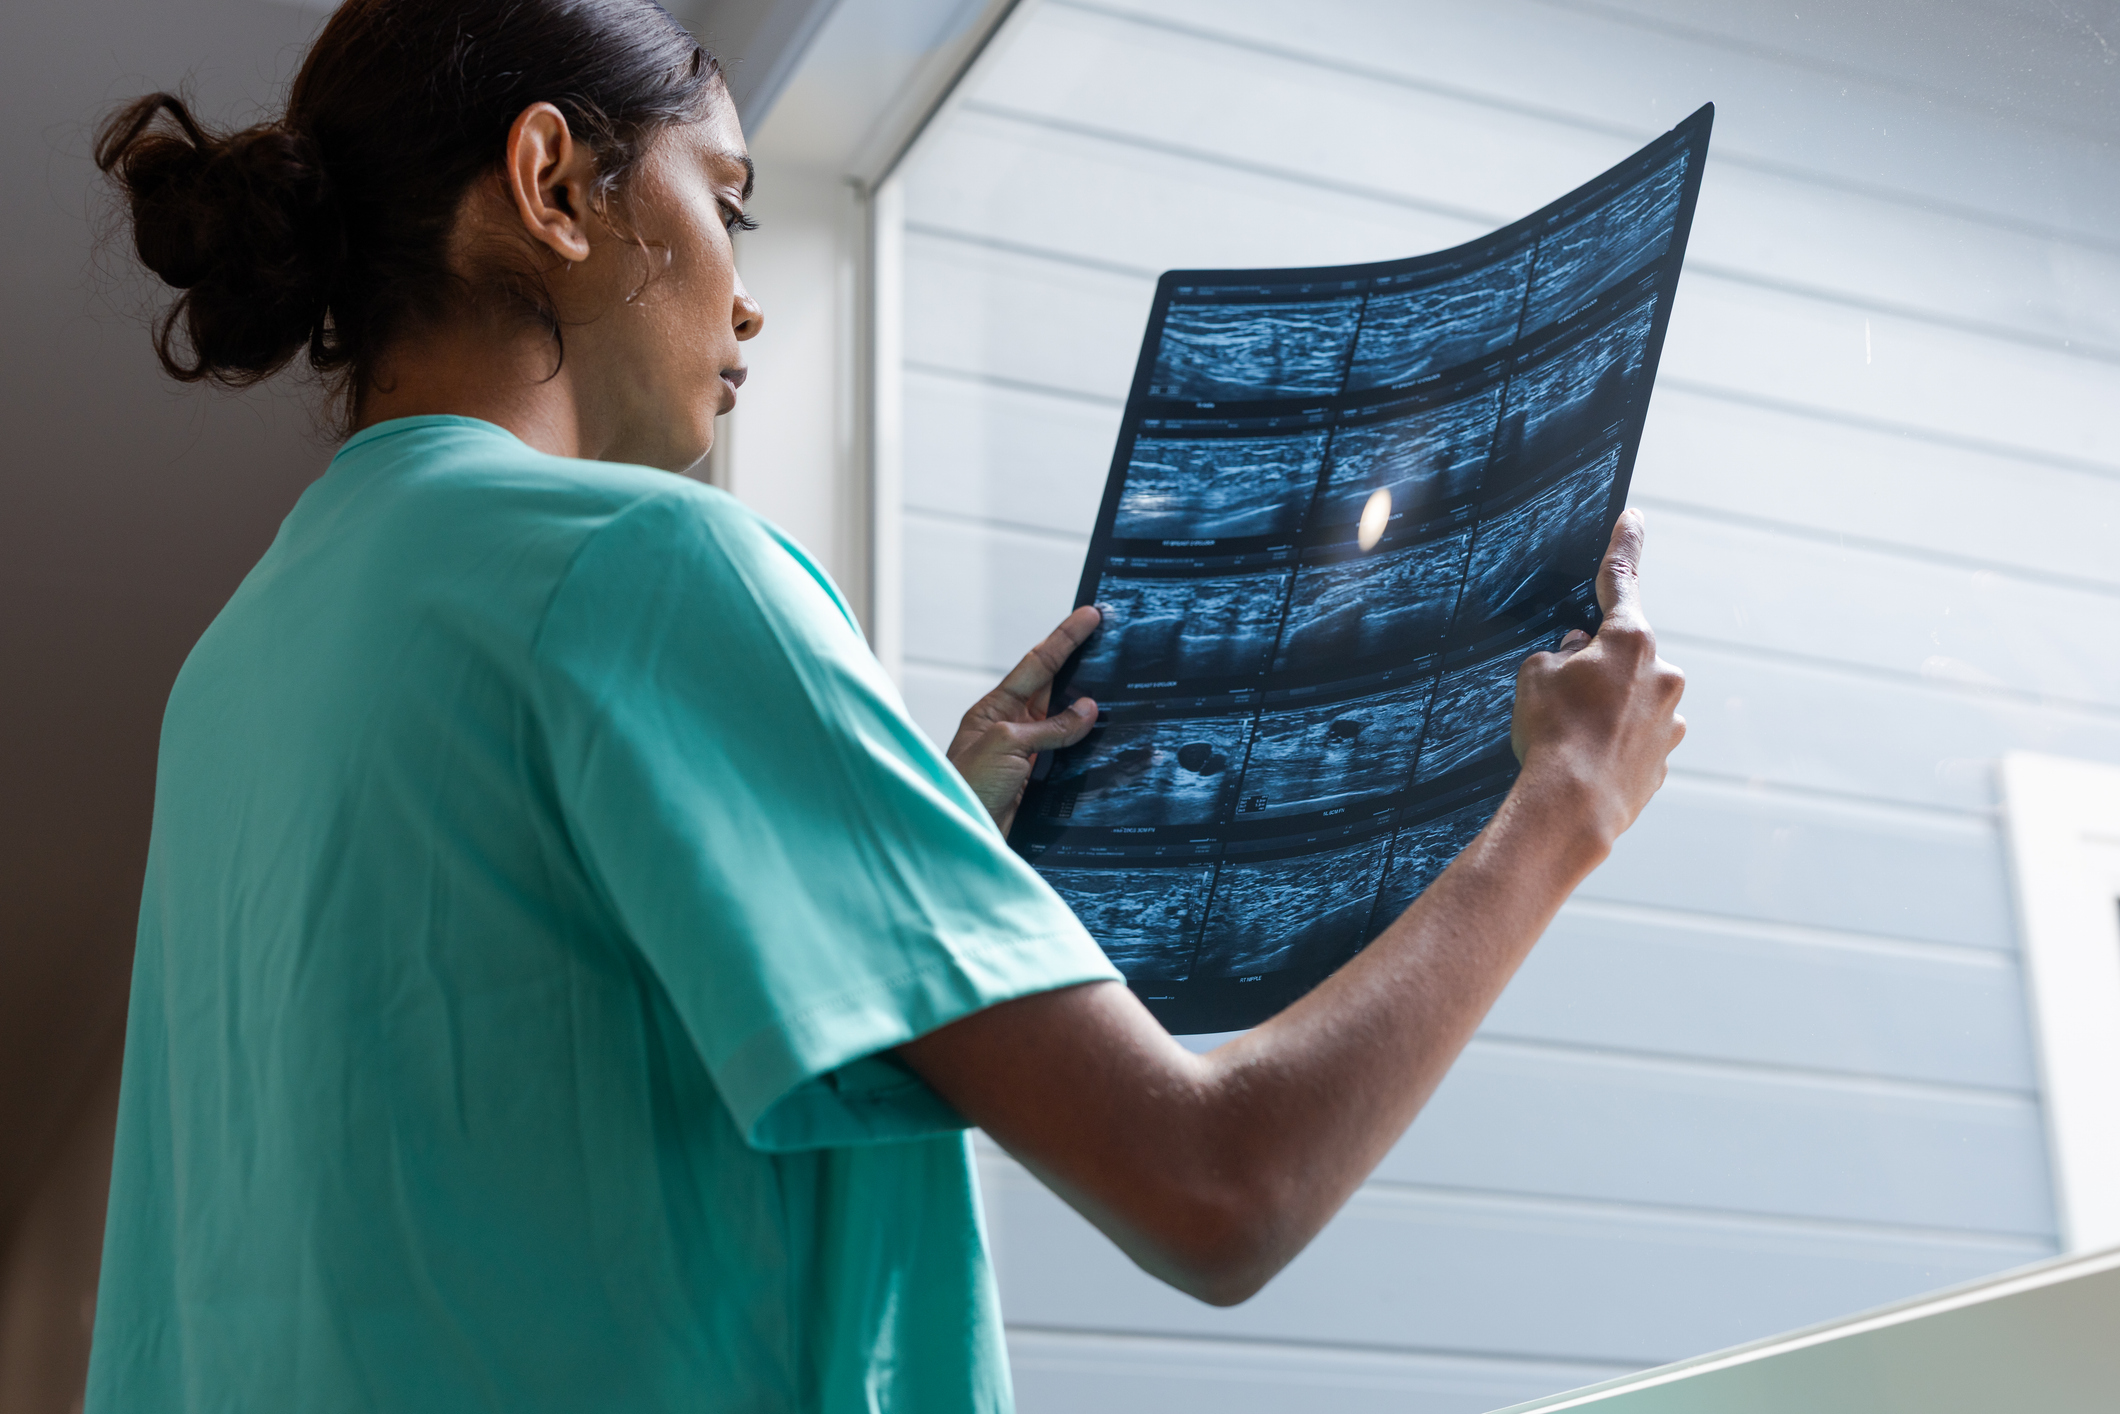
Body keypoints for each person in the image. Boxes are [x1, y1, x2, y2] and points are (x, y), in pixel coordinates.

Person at [85, 1, 1686, 1410]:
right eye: (727, 202)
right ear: (553, 183)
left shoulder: (235, 669)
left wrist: (912, 822)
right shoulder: (649, 564)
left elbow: (492, 1126)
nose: (748, 301)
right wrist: (1566, 803)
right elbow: (1220, 1185)